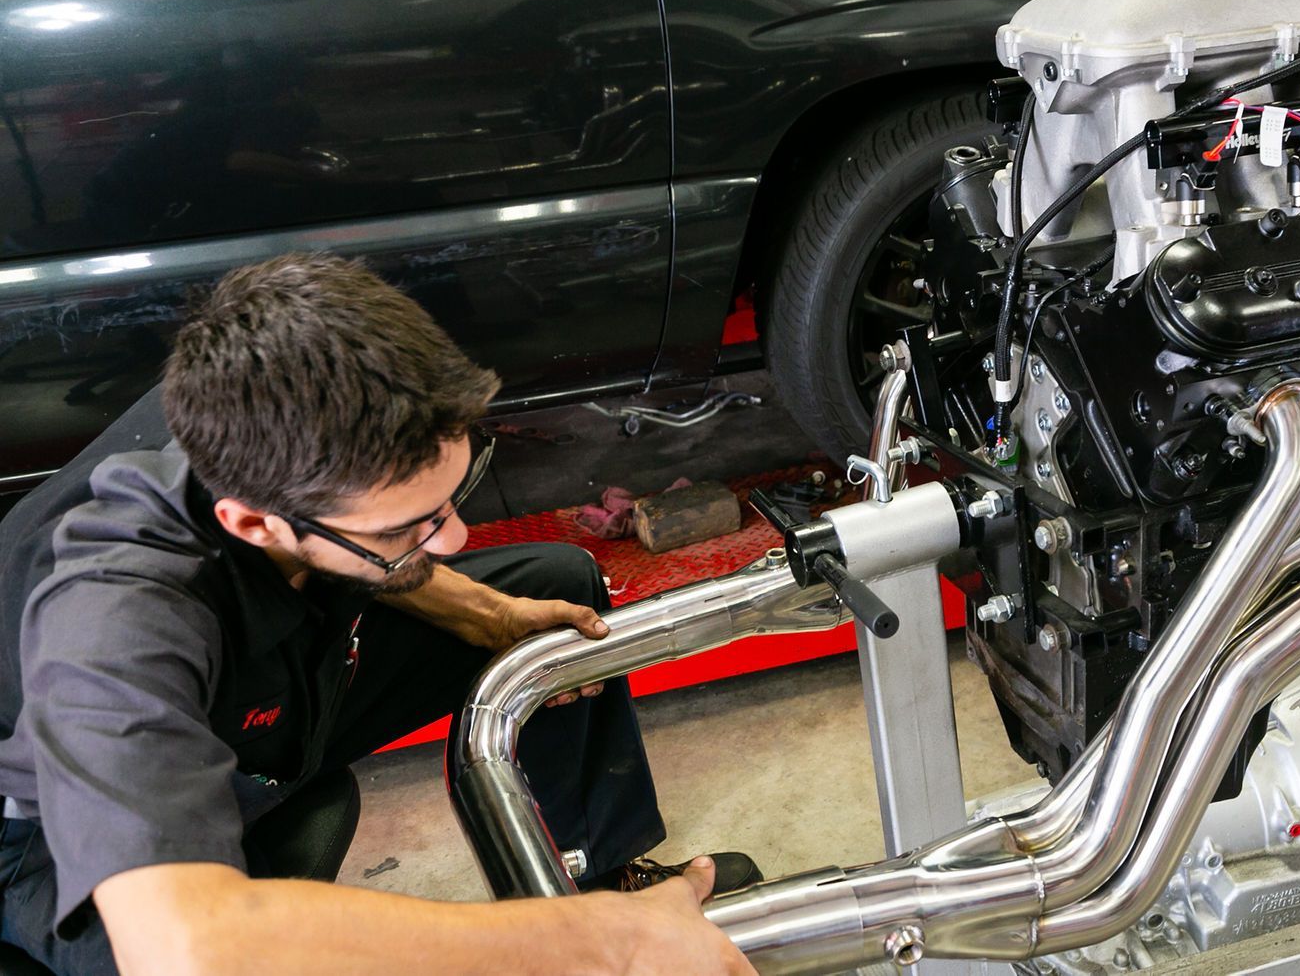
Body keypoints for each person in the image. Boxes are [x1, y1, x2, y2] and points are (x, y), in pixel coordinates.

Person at [0, 254, 757, 975]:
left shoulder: (275, 408)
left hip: (268, 689)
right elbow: (186, 945)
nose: (457, 537)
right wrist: (594, 947)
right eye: (409, 526)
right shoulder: (109, 622)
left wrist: (487, 612)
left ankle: (595, 876)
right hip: (55, 835)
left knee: (553, 594)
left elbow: (358, 539)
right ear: (256, 524)